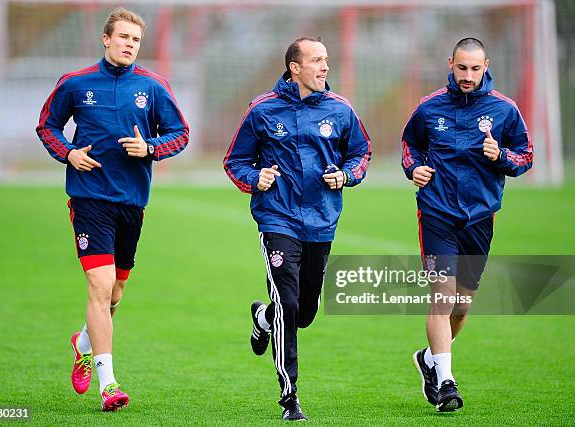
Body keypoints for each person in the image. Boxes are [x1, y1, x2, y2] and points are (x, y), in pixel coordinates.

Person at [36, 7, 189, 412]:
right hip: (89, 199)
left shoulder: (153, 87)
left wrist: (151, 147)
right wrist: (68, 153)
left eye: (136, 40)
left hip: (132, 203)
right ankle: (109, 384)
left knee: (117, 292)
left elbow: (180, 133)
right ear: (106, 39)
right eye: (123, 37)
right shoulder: (76, 83)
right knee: (100, 288)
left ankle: (82, 342)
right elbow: (47, 125)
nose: (130, 45)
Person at [223, 37, 372, 421]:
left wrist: (347, 175)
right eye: (317, 61)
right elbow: (235, 160)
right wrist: (257, 178)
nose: (324, 67)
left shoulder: (341, 110)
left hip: (322, 220)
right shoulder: (262, 109)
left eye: (326, 60)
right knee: (288, 305)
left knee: (304, 313)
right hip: (277, 219)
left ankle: (262, 318)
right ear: (295, 67)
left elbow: (360, 153)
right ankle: (290, 398)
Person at [401, 37, 533, 412]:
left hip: (479, 217)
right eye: (462, 68)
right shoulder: (429, 108)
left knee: (461, 306)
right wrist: (415, 168)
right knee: (442, 297)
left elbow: (525, 156)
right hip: (437, 213)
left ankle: (429, 359)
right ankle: (445, 382)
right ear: (451, 64)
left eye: (475, 68)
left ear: (486, 65)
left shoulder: (505, 110)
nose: (468, 75)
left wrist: (501, 155)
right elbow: (409, 144)